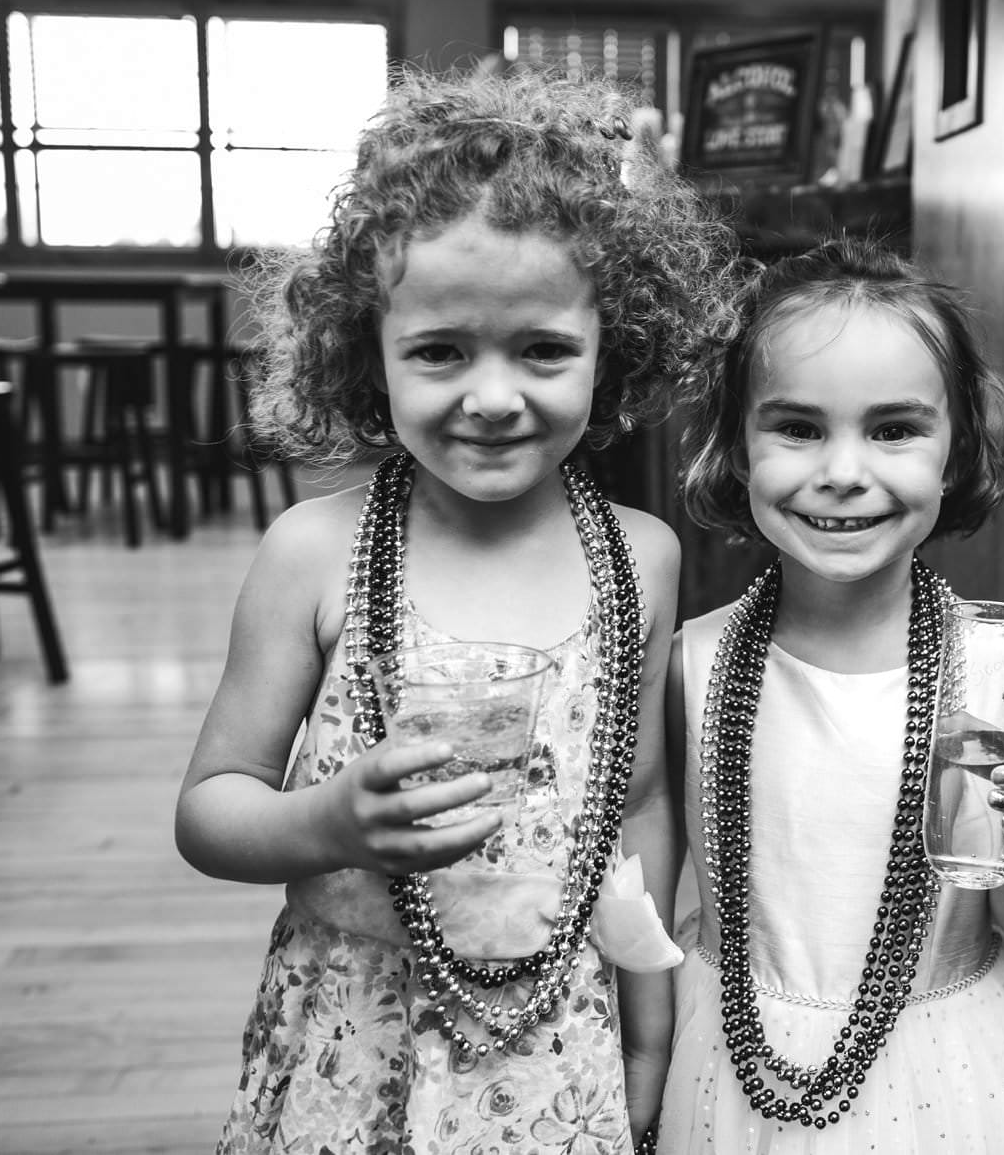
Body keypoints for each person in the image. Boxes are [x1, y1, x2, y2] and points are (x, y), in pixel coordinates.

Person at [176, 66, 735, 1155]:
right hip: (356, 1035)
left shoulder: (643, 559)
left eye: (541, 349)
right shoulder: (313, 552)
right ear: (365, 355)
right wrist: (323, 823)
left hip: (556, 1044)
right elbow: (208, 806)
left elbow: (644, 804)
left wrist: (649, 1023)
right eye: (438, 351)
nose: (490, 397)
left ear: (610, 351)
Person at [659, 240, 1004, 1153]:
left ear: (954, 456)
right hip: (742, 1065)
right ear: (737, 451)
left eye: (894, 429)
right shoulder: (692, 662)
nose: (844, 470)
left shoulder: (987, 669)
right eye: (798, 427)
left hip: (953, 1077)